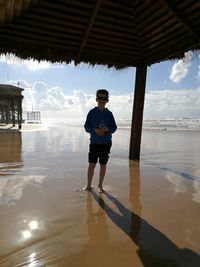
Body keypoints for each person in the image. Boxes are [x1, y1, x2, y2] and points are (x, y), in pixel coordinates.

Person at [83, 89, 117, 193]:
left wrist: (108, 130)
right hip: (94, 143)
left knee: (103, 165)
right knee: (92, 164)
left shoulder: (109, 114)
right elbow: (86, 127)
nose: (102, 100)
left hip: (106, 143)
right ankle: (89, 185)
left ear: (107, 100)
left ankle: (100, 185)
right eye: (100, 98)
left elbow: (114, 128)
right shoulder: (92, 112)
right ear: (96, 99)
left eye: (104, 98)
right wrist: (94, 130)